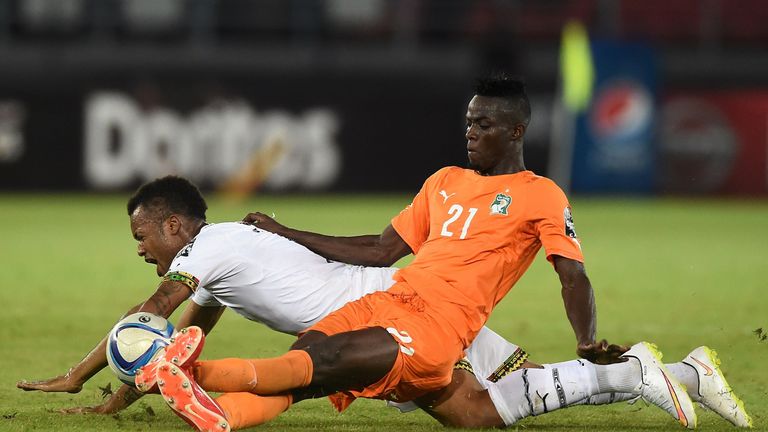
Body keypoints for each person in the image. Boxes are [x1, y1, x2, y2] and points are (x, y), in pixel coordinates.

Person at [136, 75, 726, 431]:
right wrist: (287, 232)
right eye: (469, 122)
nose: (471, 132)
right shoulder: (444, 180)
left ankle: (194, 376)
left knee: (329, 364)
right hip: (393, 295)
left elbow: (572, 274)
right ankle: (678, 374)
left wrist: (585, 338)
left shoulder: (539, 194)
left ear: (515, 131)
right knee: (469, 413)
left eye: (485, 124)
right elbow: (379, 248)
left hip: (442, 325)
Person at [16, 176, 750, 429]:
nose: (141, 246)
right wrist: (107, 394)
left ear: (176, 227)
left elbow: (150, 321)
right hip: (386, 314)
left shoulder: (201, 251)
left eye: (144, 235)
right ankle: (673, 373)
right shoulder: (216, 259)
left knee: (490, 399)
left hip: (396, 312)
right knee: (479, 412)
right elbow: (174, 334)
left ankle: (645, 373)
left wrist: (87, 377)